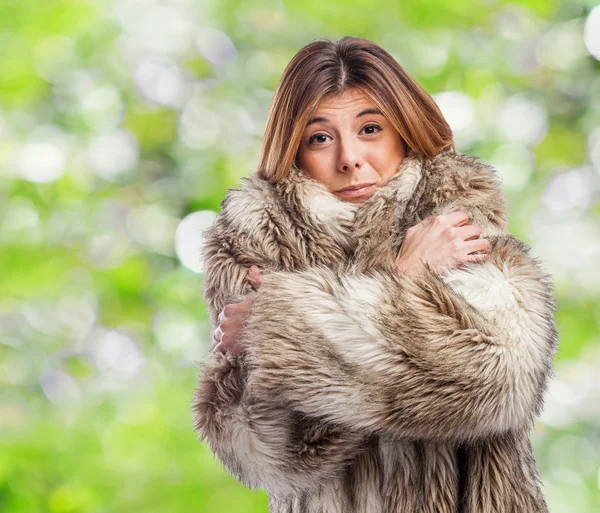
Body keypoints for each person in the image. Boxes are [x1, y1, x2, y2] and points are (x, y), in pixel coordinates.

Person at [193, 36, 558, 513]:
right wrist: (406, 278)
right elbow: (260, 451)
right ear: (293, 151)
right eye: (319, 137)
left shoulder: (458, 225)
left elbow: (491, 381)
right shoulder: (255, 247)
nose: (349, 158)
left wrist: (281, 326)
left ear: (405, 131)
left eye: (370, 129)